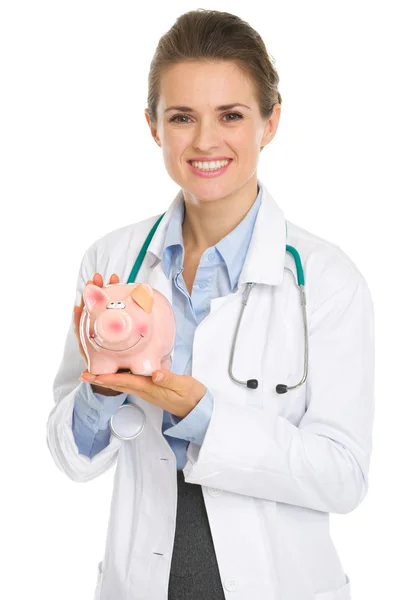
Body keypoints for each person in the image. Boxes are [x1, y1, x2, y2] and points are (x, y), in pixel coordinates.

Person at [47, 9, 375, 600]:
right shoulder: (112, 262)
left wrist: (204, 418)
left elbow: (344, 477)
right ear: (152, 126)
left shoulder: (326, 281)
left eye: (231, 115)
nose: (204, 141)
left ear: (269, 122)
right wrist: (98, 391)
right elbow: (72, 459)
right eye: (181, 117)